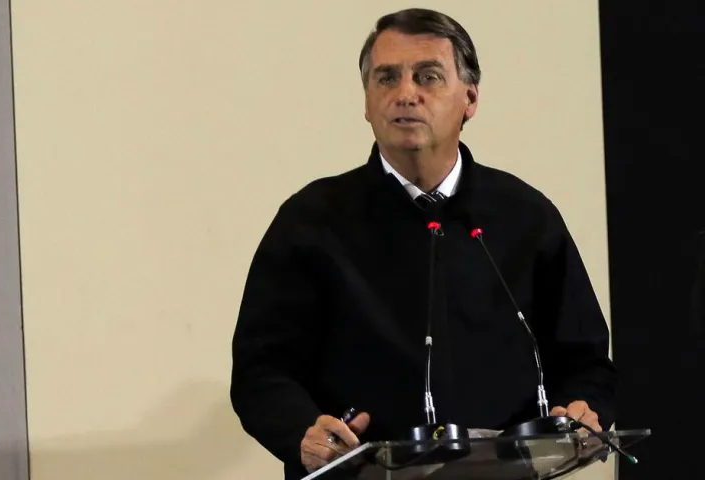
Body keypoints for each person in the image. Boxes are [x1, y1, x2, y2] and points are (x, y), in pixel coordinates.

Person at [229, 8, 617, 479]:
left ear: (469, 98)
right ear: (367, 101)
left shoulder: (526, 217)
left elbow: (586, 362)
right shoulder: (311, 220)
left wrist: (583, 407)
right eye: (386, 78)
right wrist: (301, 431)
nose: (405, 93)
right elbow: (262, 371)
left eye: (428, 76)